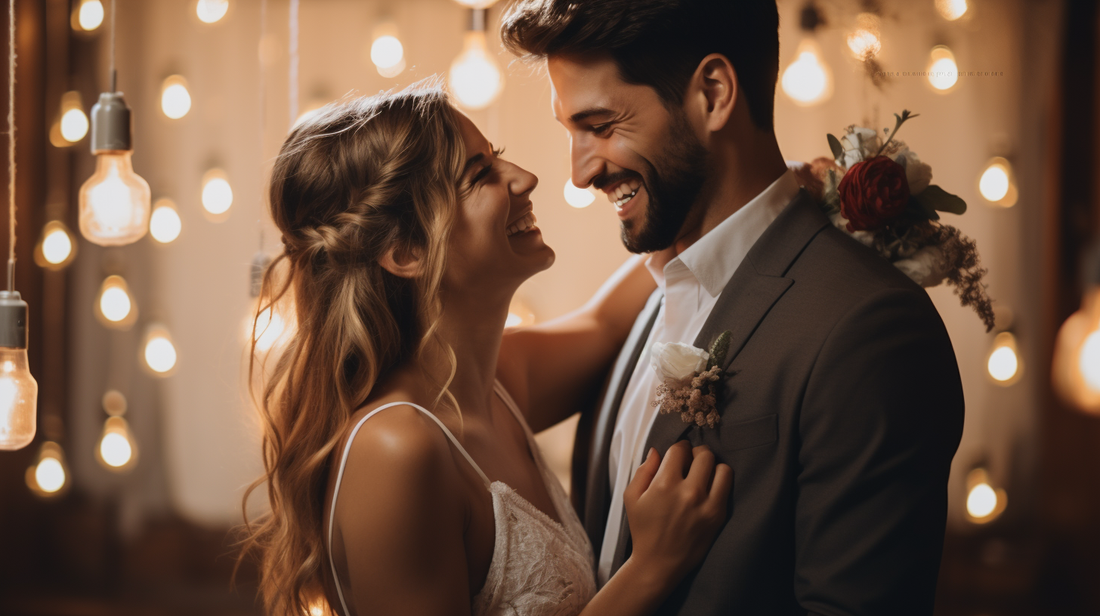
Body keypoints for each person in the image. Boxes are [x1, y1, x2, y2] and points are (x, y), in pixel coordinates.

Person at [501, 0, 965, 614]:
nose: (580, 171)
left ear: (714, 94)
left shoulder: (871, 329)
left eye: (602, 125)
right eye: (570, 131)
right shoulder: (653, 291)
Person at [238, 86, 733, 616]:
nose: (525, 177)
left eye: (495, 155)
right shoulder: (397, 448)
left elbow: (607, 324)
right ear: (407, 250)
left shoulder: (497, 381)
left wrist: (751, 200)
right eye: (480, 174)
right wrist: (651, 567)